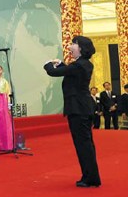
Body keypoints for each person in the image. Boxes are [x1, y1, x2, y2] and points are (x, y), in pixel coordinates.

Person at [43, 35, 101, 187]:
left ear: (81, 48)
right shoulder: (83, 64)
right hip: (84, 108)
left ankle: (90, 178)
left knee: (83, 145)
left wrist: (48, 64)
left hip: (78, 109)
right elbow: (69, 70)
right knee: (87, 144)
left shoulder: (79, 65)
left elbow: (53, 72)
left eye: (73, 44)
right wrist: (61, 64)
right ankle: (90, 176)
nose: (70, 47)